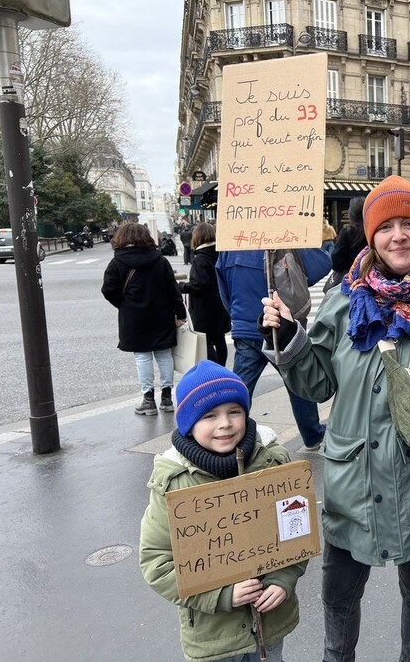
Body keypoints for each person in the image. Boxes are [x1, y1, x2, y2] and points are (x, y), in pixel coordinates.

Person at [261, 175, 410, 662]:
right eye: (386, 226)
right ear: (371, 236)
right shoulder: (343, 298)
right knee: (338, 595)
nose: (398, 236)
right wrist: (289, 337)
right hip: (353, 480)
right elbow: (318, 384)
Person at [139, 360, 308, 662]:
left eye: (235, 411)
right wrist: (220, 595)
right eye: (209, 415)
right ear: (188, 424)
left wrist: (283, 579)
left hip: (270, 625)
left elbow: (296, 533)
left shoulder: (273, 463)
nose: (225, 424)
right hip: (213, 637)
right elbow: (157, 562)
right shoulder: (173, 483)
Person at [215, 248, 326, 450]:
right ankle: (312, 435)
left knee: (240, 388)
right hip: (278, 323)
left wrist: (237, 316)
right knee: (298, 380)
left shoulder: (231, 246)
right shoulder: (281, 239)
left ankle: (228, 438)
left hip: (245, 325)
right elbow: (322, 263)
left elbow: (223, 287)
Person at [101, 222, 186, 415]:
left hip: (133, 317)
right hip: (162, 314)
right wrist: (180, 314)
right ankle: (166, 398)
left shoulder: (117, 262)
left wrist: (123, 303)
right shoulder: (160, 260)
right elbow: (173, 290)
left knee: (142, 356)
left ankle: (148, 400)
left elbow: (108, 290)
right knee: (164, 354)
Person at [179, 222, 231, 366]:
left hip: (205, 307)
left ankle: (216, 371)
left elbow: (199, 284)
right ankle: (223, 368)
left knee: (206, 342)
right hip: (221, 303)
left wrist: (182, 286)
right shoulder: (221, 254)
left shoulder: (200, 259)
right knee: (220, 340)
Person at [328, 196, 368, 290]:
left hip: (350, 282)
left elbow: (336, 263)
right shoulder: (375, 232)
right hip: (372, 281)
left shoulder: (347, 232)